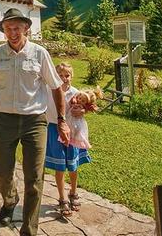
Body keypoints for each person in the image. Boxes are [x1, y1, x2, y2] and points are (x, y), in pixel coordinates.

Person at [0, 8, 70, 236]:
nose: (12, 32)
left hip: (34, 122)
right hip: (5, 119)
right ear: (3, 31)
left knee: (34, 178)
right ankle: (10, 199)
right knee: (0, 170)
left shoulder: (39, 53)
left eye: (16, 27)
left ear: (26, 28)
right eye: (8, 28)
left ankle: (29, 230)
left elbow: (56, 87)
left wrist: (61, 120)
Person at [44, 62, 91, 217]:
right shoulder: (49, 90)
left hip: (72, 131)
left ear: (72, 76)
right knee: (59, 165)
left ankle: (73, 191)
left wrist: (83, 110)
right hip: (53, 128)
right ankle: (62, 197)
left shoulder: (76, 93)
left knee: (73, 164)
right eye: (60, 76)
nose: (64, 78)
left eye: (67, 75)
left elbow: (87, 105)